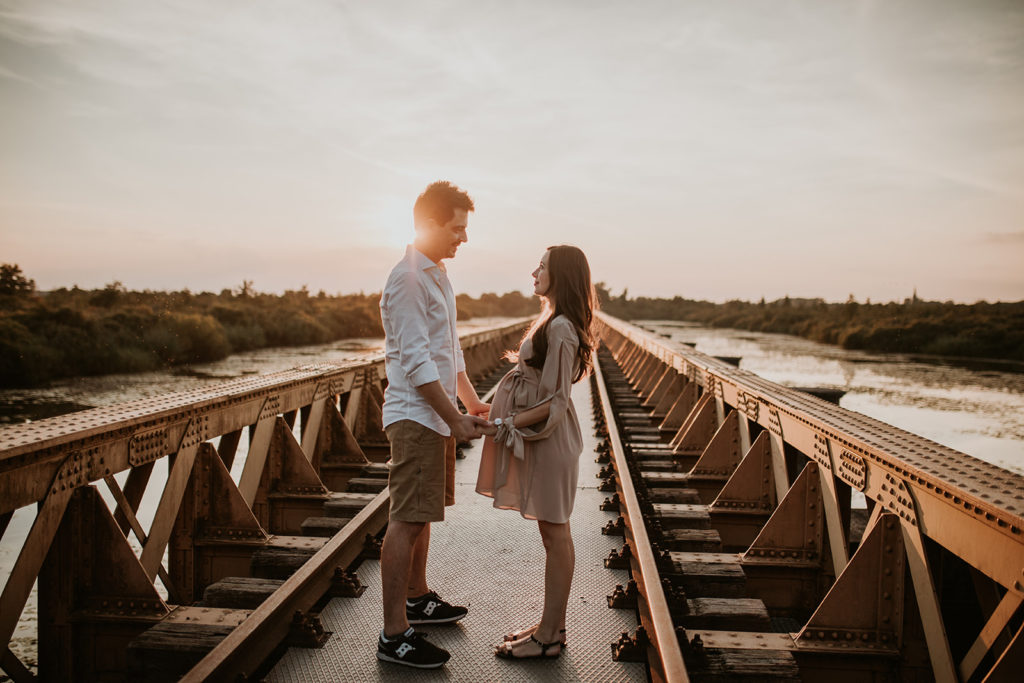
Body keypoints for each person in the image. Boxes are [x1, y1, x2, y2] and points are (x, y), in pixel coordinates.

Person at [376, 181, 491, 669]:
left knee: (423, 515)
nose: (462, 238)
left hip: (436, 417)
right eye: (457, 228)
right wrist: (453, 418)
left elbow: (450, 352)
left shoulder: (437, 274)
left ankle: (418, 598)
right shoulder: (407, 279)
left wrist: (473, 405)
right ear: (429, 224)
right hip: (416, 415)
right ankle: (393, 634)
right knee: (406, 518)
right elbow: (418, 361)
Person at [475, 244, 596, 659]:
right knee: (551, 532)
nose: (533, 272)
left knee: (555, 532)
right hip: (543, 441)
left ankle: (549, 637)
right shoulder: (552, 320)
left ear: (559, 274)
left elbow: (557, 401)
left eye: (541, 267)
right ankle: (551, 627)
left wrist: (509, 423)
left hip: (551, 442)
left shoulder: (561, 328)